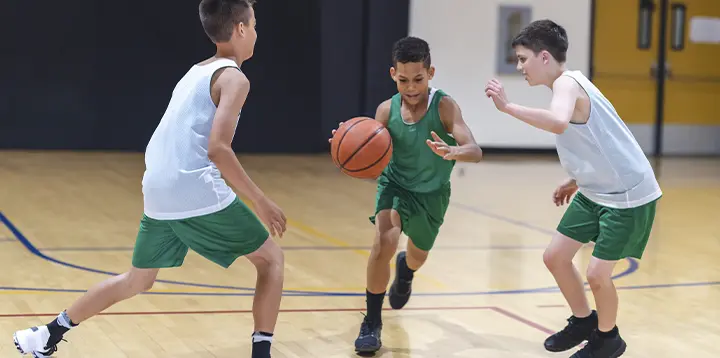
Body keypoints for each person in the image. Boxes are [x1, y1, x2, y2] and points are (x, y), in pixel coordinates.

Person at [13, 1, 287, 357]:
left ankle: (48, 333)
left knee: (137, 279)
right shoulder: (235, 78)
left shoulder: (195, 71)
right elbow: (218, 148)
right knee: (271, 260)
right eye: (253, 25)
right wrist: (260, 200)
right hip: (191, 187)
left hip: (157, 188)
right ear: (239, 29)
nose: (255, 33)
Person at [485, 19, 662, 358]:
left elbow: (558, 122)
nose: (520, 66)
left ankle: (608, 340)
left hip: (627, 195)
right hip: (597, 188)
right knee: (555, 257)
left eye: (523, 58)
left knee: (597, 274)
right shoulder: (569, 84)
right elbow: (600, 140)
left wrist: (507, 108)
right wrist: (577, 177)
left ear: (545, 57)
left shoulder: (567, 84)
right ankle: (583, 321)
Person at [330, 36, 483, 353]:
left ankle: (407, 270)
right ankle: (372, 322)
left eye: (418, 79)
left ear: (431, 73)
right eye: (403, 80)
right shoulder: (386, 111)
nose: (411, 87)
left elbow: (475, 150)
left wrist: (454, 150)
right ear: (392, 75)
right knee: (383, 242)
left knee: (418, 255)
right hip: (395, 186)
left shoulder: (444, 107)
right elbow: (366, 145)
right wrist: (345, 142)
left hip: (431, 194)